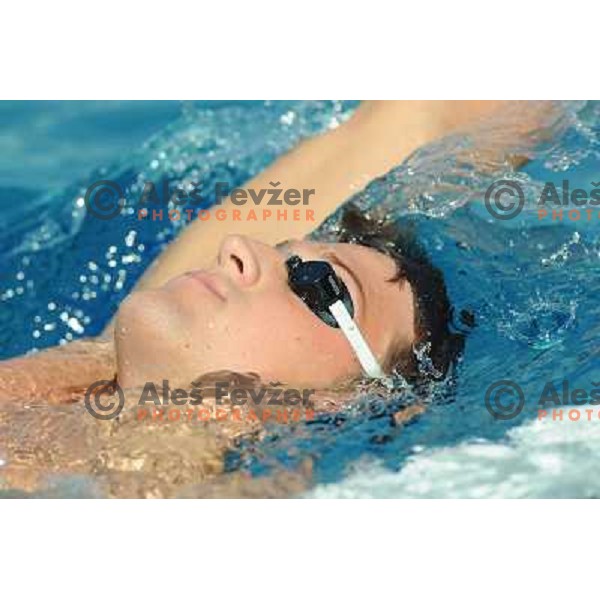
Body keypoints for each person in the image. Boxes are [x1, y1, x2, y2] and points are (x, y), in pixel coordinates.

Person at [0, 101, 547, 403]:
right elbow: (429, 111)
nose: (237, 248)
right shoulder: (86, 371)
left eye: (318, 287)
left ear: (345, 403)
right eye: (282, 250)